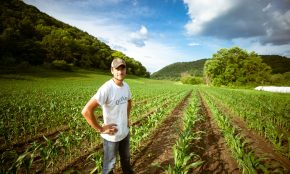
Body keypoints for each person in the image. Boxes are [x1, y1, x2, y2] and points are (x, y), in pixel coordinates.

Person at [81, 58, 133, 174]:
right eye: (117, 69)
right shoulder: (107, 88)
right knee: (109, 166)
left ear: (126, 70)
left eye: (122, 68)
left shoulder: (126, 87)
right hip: (112, 136)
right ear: (112, 70)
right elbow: (86, 111)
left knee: (126, 160)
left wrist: (126, 119)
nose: (120, 71)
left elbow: (129, 102)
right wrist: (100, 128)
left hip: (124, 133)